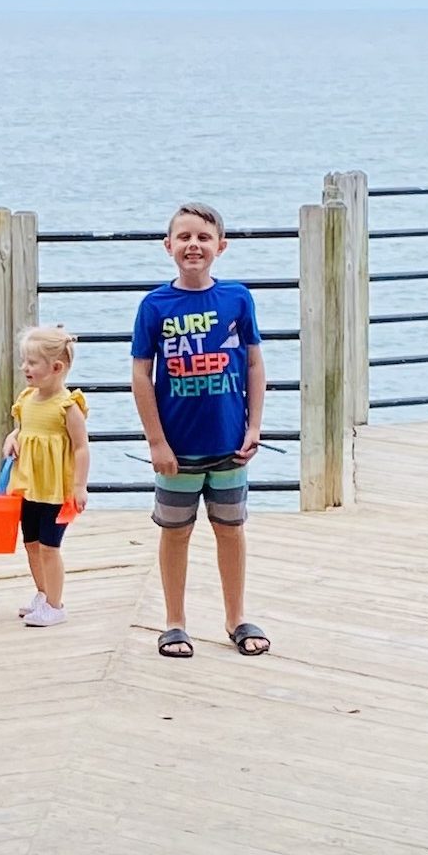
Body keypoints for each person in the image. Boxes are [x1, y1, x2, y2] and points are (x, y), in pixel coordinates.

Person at [130, 203, 271, 658]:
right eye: (184, 237)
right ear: (168, 245)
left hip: (229, 443)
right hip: (177, 448)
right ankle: (174, 621)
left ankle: (235, 617)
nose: (194, 245)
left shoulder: (237, 298)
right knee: (175, 532)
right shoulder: (154, 306)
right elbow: (140, 374)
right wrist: (156, 440)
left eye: (204, 238)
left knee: (230, 528)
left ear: (220, 246)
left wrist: (254, 425)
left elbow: (253, 361)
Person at [1, 326, 90, 628]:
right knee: (32, 543)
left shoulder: (68, 407)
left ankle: (55, 603)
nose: (24, 367)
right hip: (30, 486)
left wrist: (79, 486)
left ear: (56, 368)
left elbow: (80, 448)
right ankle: (42, 592)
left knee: (51, 547)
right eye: (24, 361)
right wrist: (12, 438)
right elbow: (24, 429)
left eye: (32, 362)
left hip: (55, 489)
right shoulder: (27, 398)